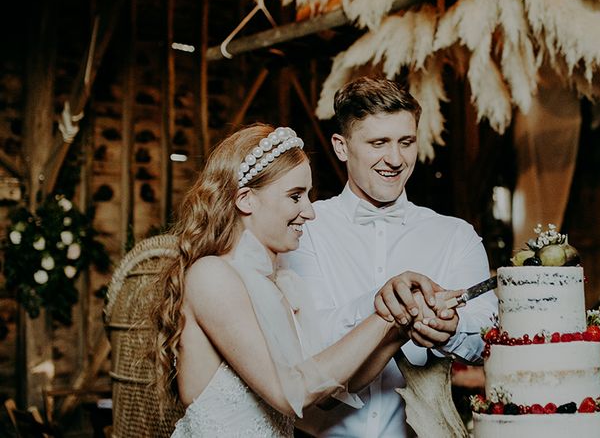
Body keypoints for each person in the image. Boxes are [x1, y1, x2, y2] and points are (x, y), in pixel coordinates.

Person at [152, 123, 458, 437]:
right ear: (245, 200)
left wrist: (400, 325)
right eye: (295, 196)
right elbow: (291, 394)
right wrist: (382, 317)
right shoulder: (212, 276)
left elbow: (323, 395)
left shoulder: (279, 284)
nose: (310, 212)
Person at [282, 76, 496, 437]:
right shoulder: (305, 229)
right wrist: (380, 305)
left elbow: (489, 336)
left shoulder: (455, 236)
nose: (395, 159)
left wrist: (453, 330)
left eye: (406, 142)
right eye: (378, 143)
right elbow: (306, 339)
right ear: (342, 146)